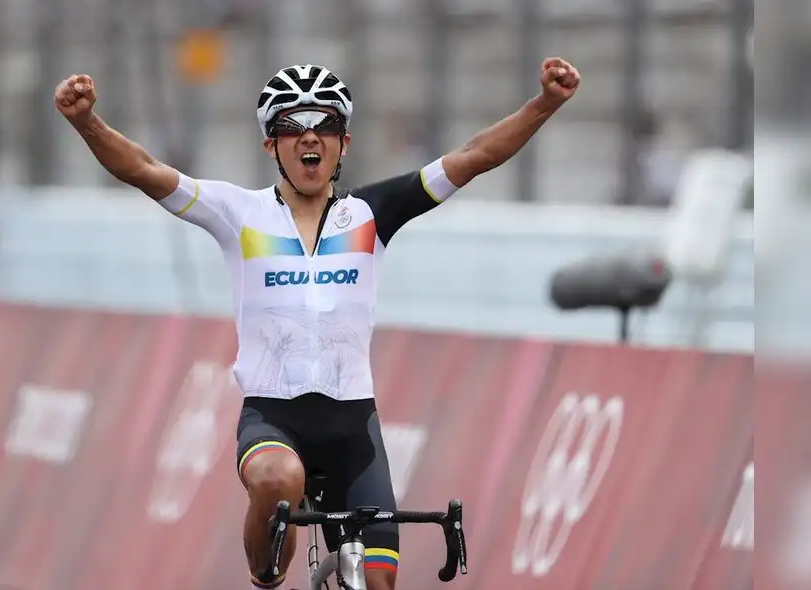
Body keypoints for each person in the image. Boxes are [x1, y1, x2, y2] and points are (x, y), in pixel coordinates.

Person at [55, 59, 580, 590]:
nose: (310, 139)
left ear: (343, 142)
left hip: (353, 430)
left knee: (378, 583)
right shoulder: (237, 213)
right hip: (274, 421)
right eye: (292, 128)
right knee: (281, 479)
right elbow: (143, 169)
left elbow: (473, 158)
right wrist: (86, 121)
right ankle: (266, 573)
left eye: (324, 126)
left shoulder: (372, 214)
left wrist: (546, 103)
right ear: (271, 146)